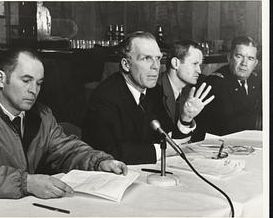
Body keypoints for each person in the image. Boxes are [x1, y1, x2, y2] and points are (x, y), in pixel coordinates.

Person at [0, 48, 127, 199]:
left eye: (39, 83)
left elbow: (66, 150)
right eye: (26, 81)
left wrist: (99, 162)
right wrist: (26, 183)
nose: (34, 90)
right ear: (1, 79)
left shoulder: (42, 116)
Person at [82, 32, 211, 165]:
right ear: (126, 64)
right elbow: (107, 153)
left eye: (158, 59)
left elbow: (167, 138)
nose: (155, 66)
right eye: (146, 58)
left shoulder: (153, 92)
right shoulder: (105, 97)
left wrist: (186, 119)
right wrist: (161, 151)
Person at [192, 36, 262, 140]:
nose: (244, 63)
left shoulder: (256, 81)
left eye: (250, 58)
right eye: (239, 56)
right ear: (229, 58)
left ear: (255, 63)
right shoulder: (214, 84)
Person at [157, 40, 214, 143]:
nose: (199, 71)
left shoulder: (191, 92)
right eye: (195, 64)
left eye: (200, 65)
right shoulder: (154, 91)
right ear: (175, 63)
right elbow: (163, 139)